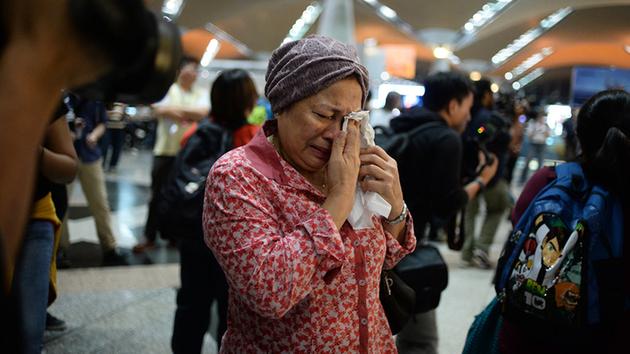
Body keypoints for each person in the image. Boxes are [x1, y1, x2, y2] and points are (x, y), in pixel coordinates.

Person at [203, 35, 416, 353]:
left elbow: (386, 260)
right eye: (324, 115)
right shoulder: (238, 177)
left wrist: (396, 208)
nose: (336, 134)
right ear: (283, 105)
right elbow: (269, 294)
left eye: (349, 120)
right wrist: (339, 200)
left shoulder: (354, 160)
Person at [499, 89, 630, 353]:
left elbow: (519, 228)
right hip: (608, 335)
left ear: (579, 135)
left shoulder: (547, 180)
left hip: (528, 331)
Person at [389, 72, 498, 354]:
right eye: (467, 107)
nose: (468, 115)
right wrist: (481, 180)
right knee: (420, 340)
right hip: (409, 246)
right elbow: (447, 203)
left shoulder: (402, 125)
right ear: (452, 105)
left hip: (380, 238)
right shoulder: (447, 138)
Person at [171, 69, 259, 354]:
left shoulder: (196, 134)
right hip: (238, 242)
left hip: (194, 234)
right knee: (230, 309)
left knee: (190, 303)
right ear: (248, 101)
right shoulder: (254, 141)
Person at [12, 103, 78, 353]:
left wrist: (32, 149)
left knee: (28, 334)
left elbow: (69, 167)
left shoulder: (41, 91)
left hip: (32, 220)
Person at [134, 58, 210, 253]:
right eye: (189, 69)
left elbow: (203, 112)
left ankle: (173, 236)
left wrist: (175, 112)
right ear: (180, 71)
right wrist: (187, 114)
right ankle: (149, 236)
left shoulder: (200, 93)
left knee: (181, 194)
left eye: (195, 71)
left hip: (187, 155)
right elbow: (159, 108)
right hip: (164, 151)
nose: (192, 73)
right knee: (157, 194)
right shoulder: (168, 90)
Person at [63, 94, 128, 265]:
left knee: (100, 203)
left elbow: (102, 123)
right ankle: (61, 249)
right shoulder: (64, 97)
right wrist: (65, 134)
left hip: (90, 156)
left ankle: (109, 247)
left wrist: (94, 136)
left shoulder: (94, 96)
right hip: (66, 156)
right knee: (61, 205)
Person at [461, 79, 512, 269]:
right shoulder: (488, 118)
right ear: (486, 95)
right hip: (490, 173)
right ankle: (481, 249)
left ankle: (467, 251)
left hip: (468, 173)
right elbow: (493, 138)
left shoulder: (466, 115)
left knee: (469, 212)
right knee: (497, 208)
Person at [519, 112, 551, 184]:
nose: (542, 119)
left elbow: (548, 135)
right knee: (527, 161)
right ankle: (522, 179)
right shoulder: (533, 124)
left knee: (540, 164)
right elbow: (529, 135)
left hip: (542, 145)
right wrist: (536, 131)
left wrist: (544, 130)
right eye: (541, 117)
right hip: (533, 144)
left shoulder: (546, 126)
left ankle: (537, 181)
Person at [99, 102, 128, 173]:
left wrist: (124, 114)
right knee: (104, 146)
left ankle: (113, 166)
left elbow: (125, 113)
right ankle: (102, 165)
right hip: (107, 125)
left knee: (117, 147)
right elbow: (102, 111)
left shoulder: (124, 99)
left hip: (120, 126)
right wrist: (109, 113)